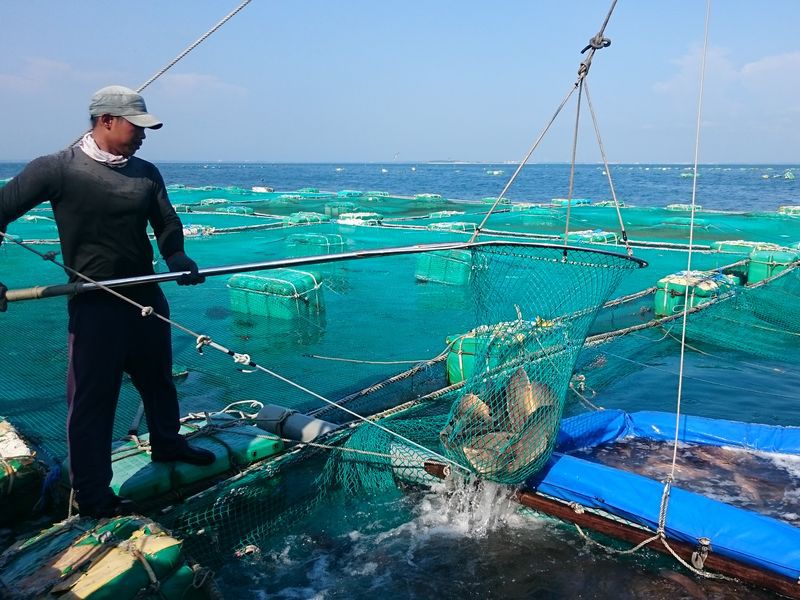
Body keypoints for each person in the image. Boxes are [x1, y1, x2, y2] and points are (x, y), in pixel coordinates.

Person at [0, 85, 215, 518]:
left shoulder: (146, 172)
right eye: (137, 126)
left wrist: (176, 256)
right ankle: (94, 494)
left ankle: (168, 445)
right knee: (93, 400)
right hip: (94, 302)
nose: (143, 135)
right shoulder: (56, 169)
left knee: (158, 380)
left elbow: (166, 221)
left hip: (145, 295)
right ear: (106, 121)